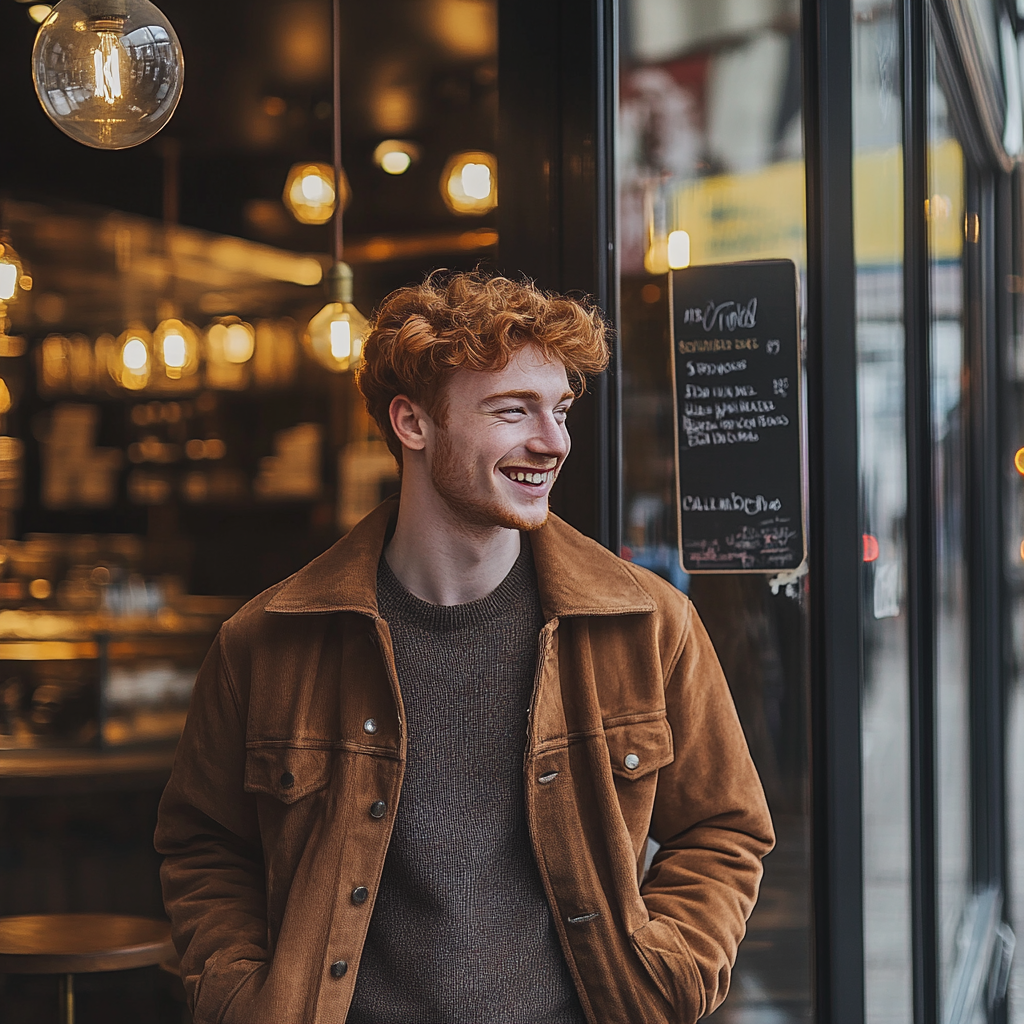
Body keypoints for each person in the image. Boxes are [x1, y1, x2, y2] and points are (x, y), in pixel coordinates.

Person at [155, 271, 775, 1024]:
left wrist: (670, 972)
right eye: (513, 411)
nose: (552, 442)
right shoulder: (269, 640)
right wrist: (245, 997)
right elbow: (204, 848)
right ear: (413, 424)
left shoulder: (647, 625)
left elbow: (724, 829)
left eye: (559, 410)